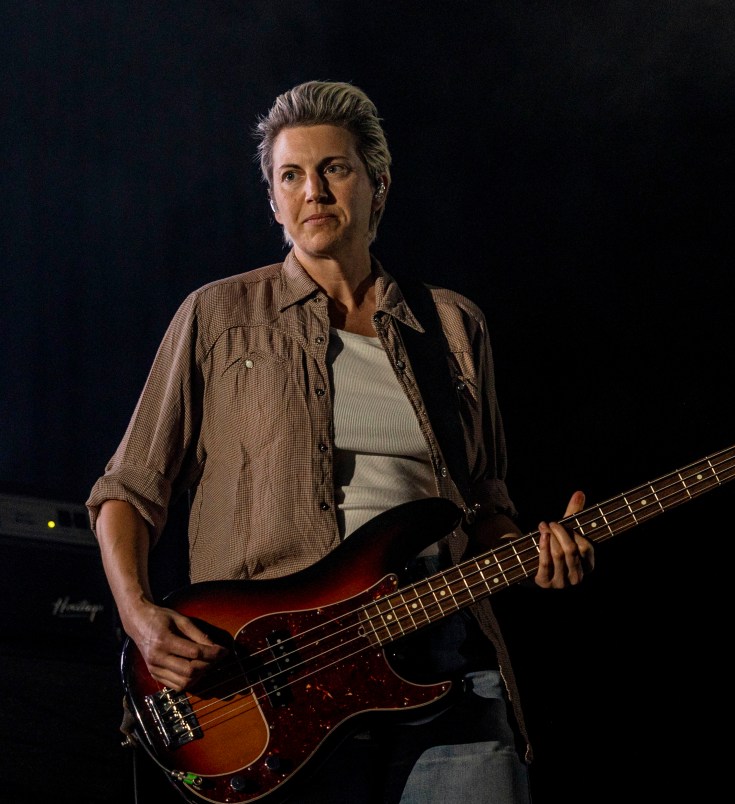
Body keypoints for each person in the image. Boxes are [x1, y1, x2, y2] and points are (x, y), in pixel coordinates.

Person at [86, 79, 595, 804]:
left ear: (378, 185)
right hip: (273, 679)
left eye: (335, 169)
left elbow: (483, 505)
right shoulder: (217, 317)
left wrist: (535, 552)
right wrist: (139, 619)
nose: (314, 191)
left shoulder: (453, 325)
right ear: (273, 201)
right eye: (291, 175)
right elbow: (128, 491)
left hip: (445, 653)